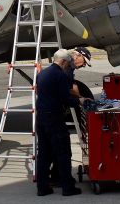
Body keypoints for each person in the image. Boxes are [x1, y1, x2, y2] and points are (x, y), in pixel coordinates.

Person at [36, 49, 88, 197]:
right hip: (54, 118)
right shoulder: (60, 75)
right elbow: (66, 99)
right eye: (68, 63)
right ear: (64, 62)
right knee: (63, 152)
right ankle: (68, 187)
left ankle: (42, 188)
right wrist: (80, 100)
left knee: (44, 154)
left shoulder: (42, 74)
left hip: (41, 118)